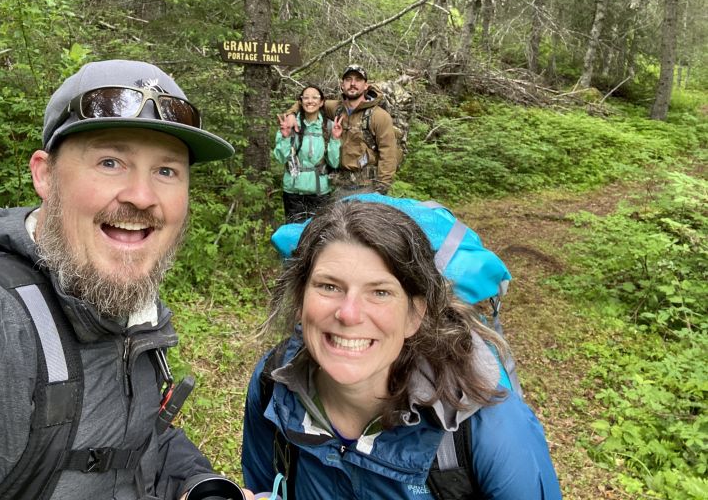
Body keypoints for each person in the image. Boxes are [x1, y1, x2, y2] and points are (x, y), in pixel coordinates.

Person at [0, 60, 254, 500]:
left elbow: (135, 435)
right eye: (110, 161)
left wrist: (199, 485)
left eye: (166, 171)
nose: (142, 196)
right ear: (44, 174)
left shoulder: (126, 303)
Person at [241, 199, 563, 499]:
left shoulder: (490, 428)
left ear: (414, 316)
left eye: (380, 292)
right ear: (299, 300)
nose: (349, 314)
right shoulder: (274, 385)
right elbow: (266, 485)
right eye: (329, 286)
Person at [284, 64, 398, 194]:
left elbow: (388, 153)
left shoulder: (379, 116)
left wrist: (381, 189)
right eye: (348, 79)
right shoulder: (335, 108)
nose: (353, 83)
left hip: (367, 186)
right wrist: (291, 114)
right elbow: (308, 101)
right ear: (342, 85)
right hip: (337, 184)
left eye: (358, 80)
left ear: (366, 85)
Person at [273, 84, 342, 223]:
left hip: (320, 191)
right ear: (300, 101)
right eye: (306, 98)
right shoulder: (290, 124)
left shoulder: (328, 127)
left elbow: (334, 162)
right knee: (294, 237)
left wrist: (334, 139)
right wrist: (286, 137)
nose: (310, 101)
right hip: (293, 191)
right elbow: (281, 158)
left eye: (315, 97)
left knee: (319, 235)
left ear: (322, 102)